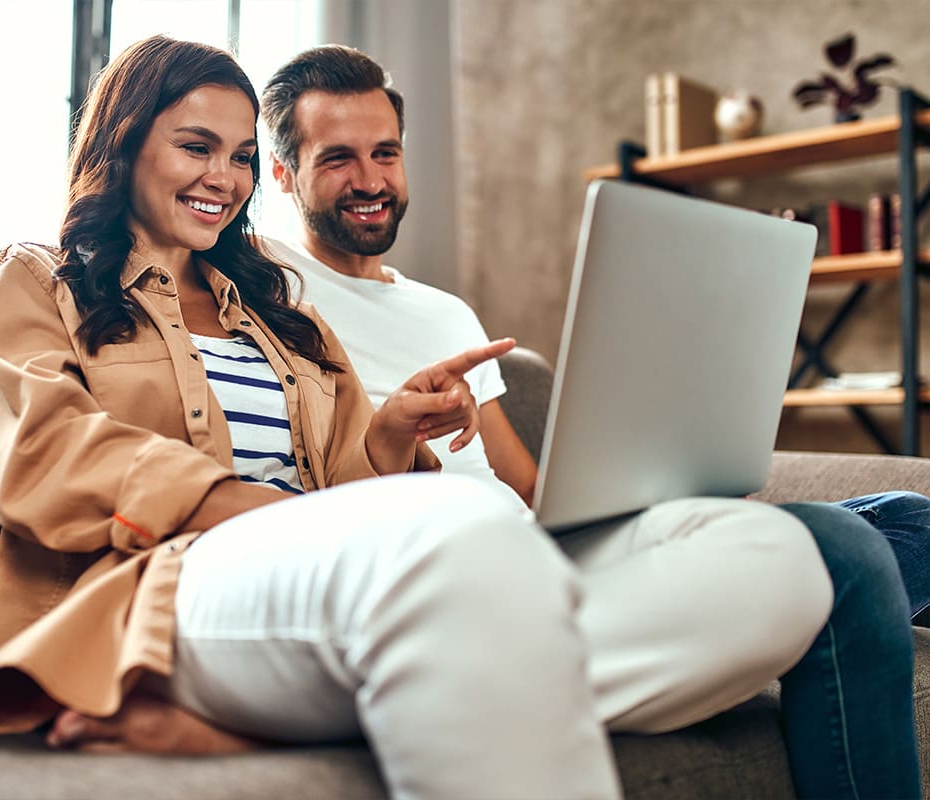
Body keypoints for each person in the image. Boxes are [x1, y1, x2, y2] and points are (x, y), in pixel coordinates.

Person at [257, 44, 924, 798]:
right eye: (337, 158)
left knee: (909, 520)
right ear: (281, 175)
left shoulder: (446, 312)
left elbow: (532, 489)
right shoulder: (261, 284)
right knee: (845, 553)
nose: (372, 180)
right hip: (468, 569)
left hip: (548, 541)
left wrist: (651, 486)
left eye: (385, 152)